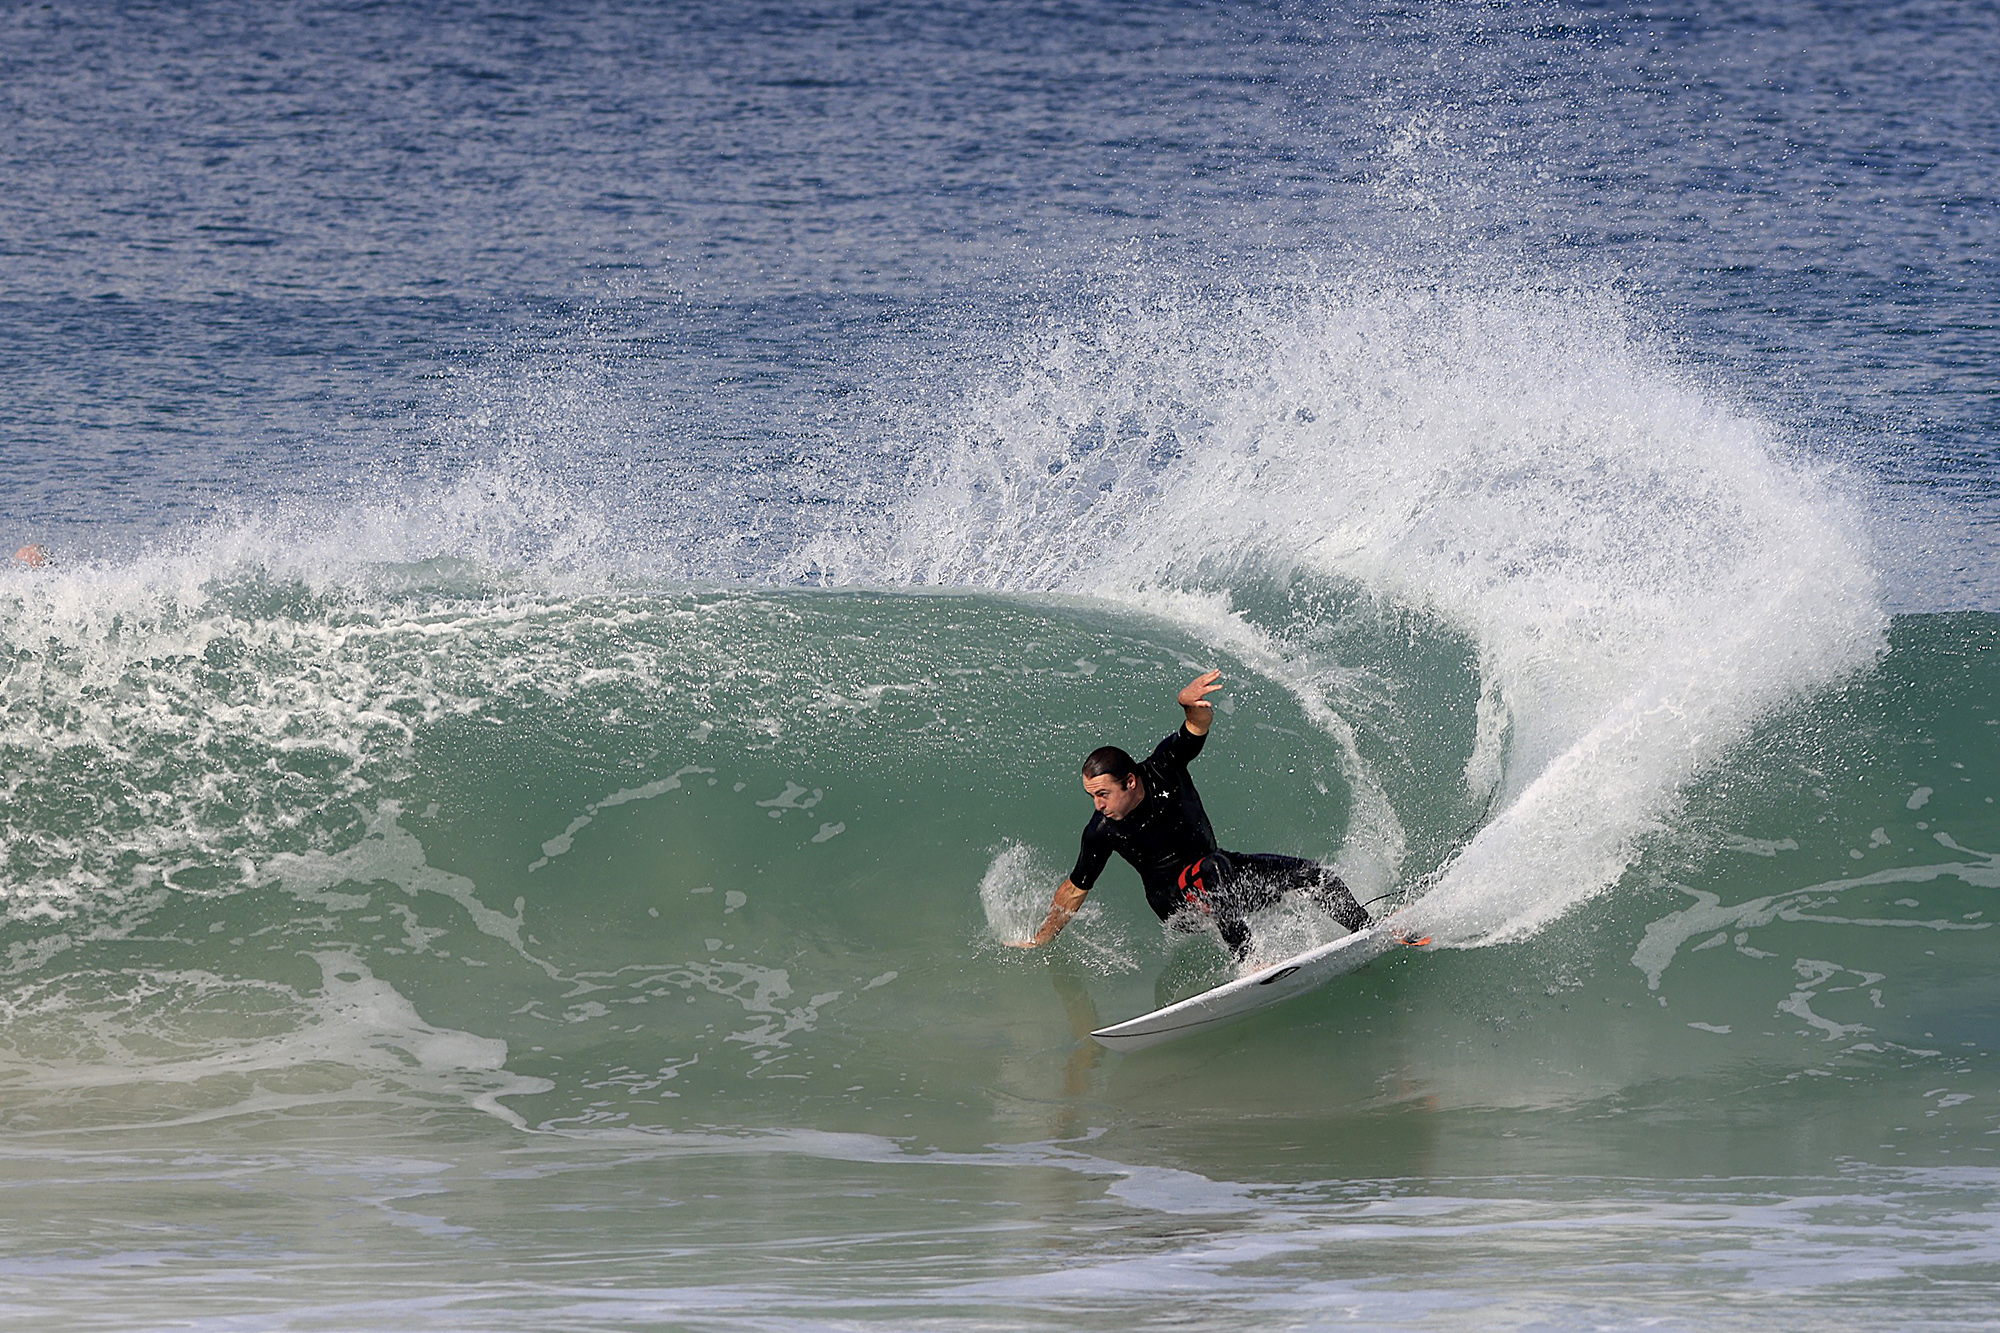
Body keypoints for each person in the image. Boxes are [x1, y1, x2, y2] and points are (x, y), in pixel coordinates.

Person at [1010, 669, 1373, 962]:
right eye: (1092, 797)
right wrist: (1042, 939)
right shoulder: (1102, 831)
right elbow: (1076, 888)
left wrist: (1188, 704)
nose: (1098, 806)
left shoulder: (1164, 768)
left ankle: (1369, 931)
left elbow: (1196, 727)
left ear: (1131, 782)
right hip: (1174, 903)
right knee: (1213, 869)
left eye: (1103, 795)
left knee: (1312, 876)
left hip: (1216, 877)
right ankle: (1250, 963)